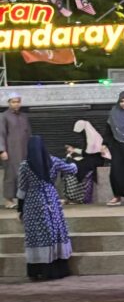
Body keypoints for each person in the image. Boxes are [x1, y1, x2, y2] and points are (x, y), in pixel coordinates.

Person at [17, 136, 77, 280]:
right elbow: (72, 170)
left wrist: (20, 210)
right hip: (51, 201)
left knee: (37, 236)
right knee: (54, 232)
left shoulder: (25, 165)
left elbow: (22, 190)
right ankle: (57, 270)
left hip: (33, 204)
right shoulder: (53, 161)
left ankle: (37, 271)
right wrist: (70, 160)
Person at [0, 94, 32, 209]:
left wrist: (32, 149)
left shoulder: (24, 116)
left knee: (24, 174)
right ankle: (8, 200)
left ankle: (22, 199)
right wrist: (2, 150)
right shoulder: (4, 116)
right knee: (10, 175)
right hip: (10, 151)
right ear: (9, 103)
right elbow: (1, 134)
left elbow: (29, 134)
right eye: (13, 102)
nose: (16, 104)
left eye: (18, 101)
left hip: (24, 150)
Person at [62, 120, 104, 204]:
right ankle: (71, 196)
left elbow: (88, 153)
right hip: (89, 160)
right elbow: (86, 152)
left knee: (75, 168)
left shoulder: (92, 137)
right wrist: (74, 150)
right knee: (69, 165)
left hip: (93, 162)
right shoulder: (88, 136)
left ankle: (76, 197)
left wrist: (74, 150)